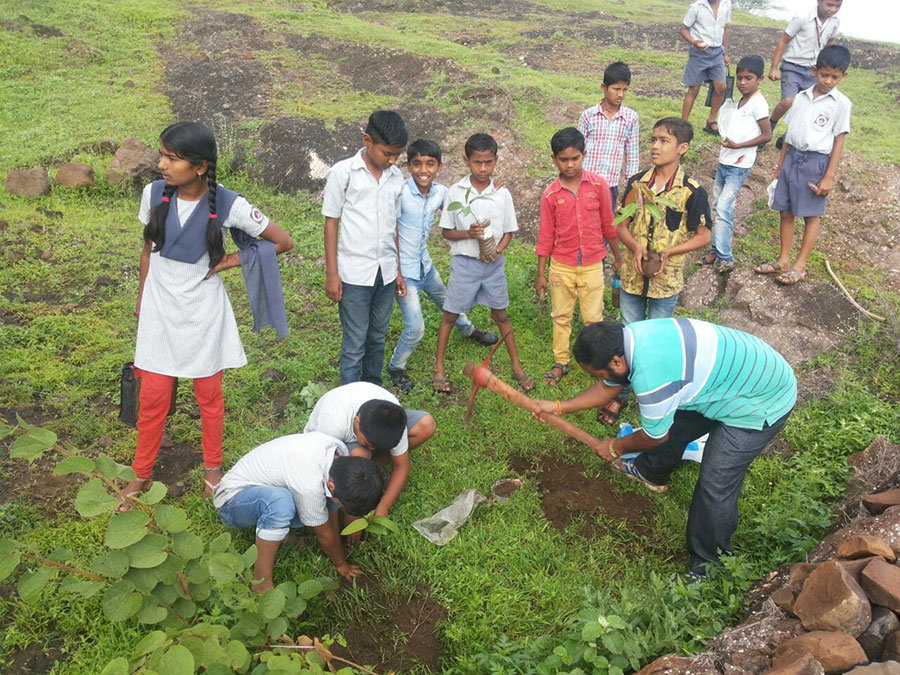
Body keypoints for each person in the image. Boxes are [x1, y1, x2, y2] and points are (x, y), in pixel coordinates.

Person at [532, 319, 797, 578]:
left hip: (762, 399)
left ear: (616, 362)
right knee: (675, 418)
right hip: (726, 379)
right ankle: (651, 471)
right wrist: (557, 407)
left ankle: (709, 565)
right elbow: (607, 386)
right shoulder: (630, 339)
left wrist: (615, 446)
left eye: (596, 374)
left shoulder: (654, 378)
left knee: (715, 482)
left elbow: (654, 437)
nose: (598, 379)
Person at [121, 122, 293, 507]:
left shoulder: (230, 203)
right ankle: (141, 474)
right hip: (160, 311)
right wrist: (141, 303)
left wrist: (231, 260)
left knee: (208, 397)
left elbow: (283, 241)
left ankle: (213, 469)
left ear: (200, 166)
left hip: (203, 312)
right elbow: (148, 251)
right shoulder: (153, 193)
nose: (162, 164)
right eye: (161, 154)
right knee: (153, 399)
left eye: (172, 158)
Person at [387, 139, 498, 393]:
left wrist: (492, 188)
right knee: (415, 327)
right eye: (416, 164)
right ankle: (396, 366)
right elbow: (390, 231)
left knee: (449, 302)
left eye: (429, 164)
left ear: (439, 167)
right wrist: (398, 274)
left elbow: (465, 198)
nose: (422, 170)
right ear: (409, 166)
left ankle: (468, 331)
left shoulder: (440, 193)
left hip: (425, 266)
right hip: (404, 273)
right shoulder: (401, 193)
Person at [214, 431, 384, 591]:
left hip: (266, 486)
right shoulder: (309, 484)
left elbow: (330, 509)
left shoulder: (336, 454)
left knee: (323, 503)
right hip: (232, 501)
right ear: (331, 486)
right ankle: (261, 583)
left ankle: (279, 532)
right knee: (280, 503)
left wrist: (336, 542)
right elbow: (324, 534)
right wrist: (340, 563)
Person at [433, 133, 533, 394]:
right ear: (467, 160)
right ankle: (439, 368)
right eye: (477, 162)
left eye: (488, 162)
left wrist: (498, 251)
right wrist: (470, 234)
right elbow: (446, 231)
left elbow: (509, 231)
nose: (483, 168)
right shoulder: (456, 192)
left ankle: (516, 365)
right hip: (465, 265)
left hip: (493, 266)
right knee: (450, 314)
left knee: (500, 314)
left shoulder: (501, 194)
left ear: (496, 160)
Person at [322, 110, 408, 386]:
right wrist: (332, 274)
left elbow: (393, 226)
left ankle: (372, 390)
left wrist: (398, 270)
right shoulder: (343, 172)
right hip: (354, 274)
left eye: (397, 155)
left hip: (385, 272)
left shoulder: (395, 178)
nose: (392, 160)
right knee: (355, 340)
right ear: (367, 140)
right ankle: (349, 398)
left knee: (377, 336)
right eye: (387, 153)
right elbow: (331, 223)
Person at [756, 44, 851, 286]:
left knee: (810, 214)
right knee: (785, 211)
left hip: (816, 162)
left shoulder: (841, 104)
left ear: (843, 76)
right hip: (791, 158)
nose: (828, 80)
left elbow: (839, 140)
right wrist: (780, 166)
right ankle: (783, 260)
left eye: (834, 77)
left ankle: (800, 265)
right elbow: (789, 134)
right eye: (824, 74)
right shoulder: (801, 97)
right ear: (814, 70)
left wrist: (829, 175)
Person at [535, 127, 623, 387]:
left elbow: (609, 224)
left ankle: (596, 362)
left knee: (593, 319)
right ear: (554, 160)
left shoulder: (599, 185)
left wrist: (618, 258)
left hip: (593, 264)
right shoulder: (550, 195)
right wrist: (541, 273)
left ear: (584, 155)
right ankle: (560, 361)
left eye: (575, 158)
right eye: (563, 159)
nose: (570, 164)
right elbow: (545, 237)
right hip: (561, 265)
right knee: (560, 316)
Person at [616, 118, 711, 326]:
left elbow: (704, 235)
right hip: (633, 277)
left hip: (666, 279)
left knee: (657, 336)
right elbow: (621, 225)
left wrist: (669, 252)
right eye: (653, 140)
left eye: (664, 141)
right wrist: (635, 246)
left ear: (682, 148)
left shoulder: (690, 191)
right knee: (630, 332)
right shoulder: (637, 184)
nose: (655, 147)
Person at [303, 382, 435, 525]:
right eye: (368, 444)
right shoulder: (333, 423)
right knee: (362, 454)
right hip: (325, 446)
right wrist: (352, 514)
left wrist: (383, 507)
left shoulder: (393, 420)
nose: (372, 449)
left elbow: (401, 466)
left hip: (367, 428)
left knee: (426, 425)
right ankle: (366, 471)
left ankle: (372, 470)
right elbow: (327, 471)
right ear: (357, 422)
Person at [702, 55, 772, 274]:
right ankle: (716, 249)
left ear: (760, 79)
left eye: (748, 78)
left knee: (724, 207)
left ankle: (726, 257)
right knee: (717, 206)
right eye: (740, 78)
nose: (742, 82)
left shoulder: (758, 103)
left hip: (739, 164)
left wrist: (739, 145)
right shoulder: (738, 102)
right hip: (725, 160)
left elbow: (767, 135)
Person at [768, 0, 842, 145]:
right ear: (819, 2)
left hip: (814, 70)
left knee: (805, 105)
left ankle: (788, 136)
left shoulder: (834, 22)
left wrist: (832, 63)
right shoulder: (803, 17)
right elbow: (784, 40)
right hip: (793, 65)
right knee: (788, 101)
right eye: (829, 4)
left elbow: (830, 42)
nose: (832, 9)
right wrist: (774, 67)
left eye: (837, 6)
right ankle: (769, 128)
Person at [577, 61, 640, 206]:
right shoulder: (588, 116)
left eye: (624, 90)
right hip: (586, 182)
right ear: (604, 88)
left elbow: (632, 156)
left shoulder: (631, 118)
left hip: (610, 187)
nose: (620, 94)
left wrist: (630, 187)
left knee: (607, 226)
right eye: (616, 89)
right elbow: (578, 151)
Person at [680, 0, 731, 132]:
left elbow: (725, 29)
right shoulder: (696, 7)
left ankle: (711, 121)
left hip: (718, 52)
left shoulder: (726, 5)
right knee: (694, 89)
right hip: (699, 52)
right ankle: (683, 124)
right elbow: (684, 29)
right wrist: (694, 41)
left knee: (721, 87)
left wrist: (726, 53)